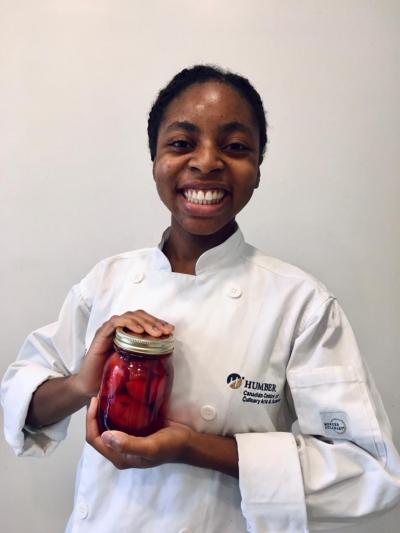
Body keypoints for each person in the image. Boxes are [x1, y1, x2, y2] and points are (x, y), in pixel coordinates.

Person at [1, 65, 400, 533]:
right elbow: (20, 400)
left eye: (234, 147)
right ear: (154, 160)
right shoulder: (108, 280)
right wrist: (81, 383)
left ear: (257, 169)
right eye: (181, 143)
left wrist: (192, 447)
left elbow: (369, 473)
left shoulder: (301, 304)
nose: (207, 162)